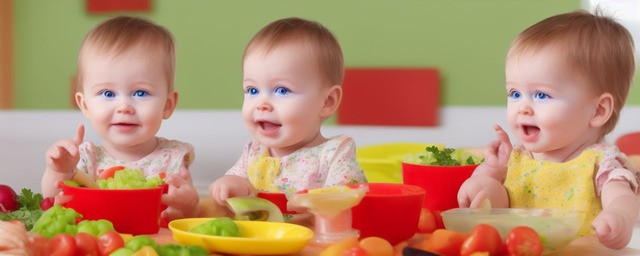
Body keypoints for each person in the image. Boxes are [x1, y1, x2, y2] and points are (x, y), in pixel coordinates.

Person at [457, 10, 640, 249]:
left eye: (541, 95)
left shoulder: (601, 164)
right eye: (514, 93)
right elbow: (502, 204)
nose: (522, 107)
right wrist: (486, 180)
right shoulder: (517, 160)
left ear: (597, 111)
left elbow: (621, 197)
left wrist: (620, 217)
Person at [41, 16, 199, 221]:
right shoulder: (85, 159)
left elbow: (189, 213)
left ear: (167, 105)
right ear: (85, 105)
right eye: (108, 94)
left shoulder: (172, 159)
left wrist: (187, 204)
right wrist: (58, 170)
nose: (124, 107)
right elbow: (52, 200)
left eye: (141, 93)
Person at [209, 17, 367, 213]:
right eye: (252, 90)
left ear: (327, 102)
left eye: (282, 91)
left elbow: (347, 204)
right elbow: (236, 183)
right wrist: (230, 185)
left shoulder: (334, 153)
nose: (262, 104)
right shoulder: (254, 152)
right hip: (260, 242)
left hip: (314, 242)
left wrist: (313, 207)